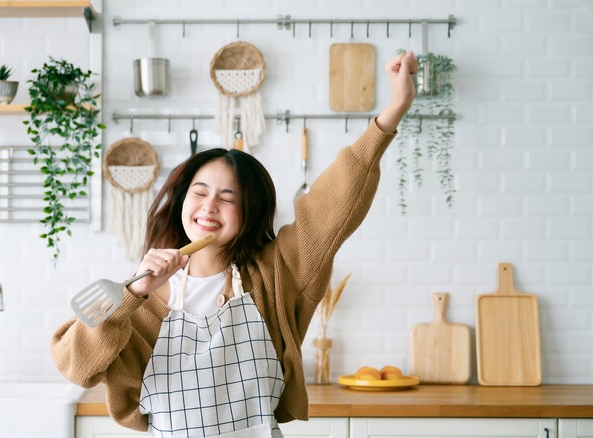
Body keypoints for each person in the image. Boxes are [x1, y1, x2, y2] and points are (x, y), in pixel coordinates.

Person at [51, 51, 418, 437]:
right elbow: (75, 366)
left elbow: (332, 203)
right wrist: (133, 291)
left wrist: (394, 109)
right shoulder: (140, 300)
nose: (210, 206)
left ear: (249, 213)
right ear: (182, 201)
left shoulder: (279, 273)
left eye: (228, 198)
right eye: (200, 192)